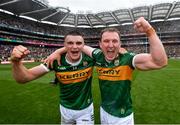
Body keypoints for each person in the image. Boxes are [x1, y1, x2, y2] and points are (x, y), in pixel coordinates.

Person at [44, 17, 168, 125]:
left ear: (120, 44)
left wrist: (149, 30)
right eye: (106, 41)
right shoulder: (98, 56)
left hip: (123, 117)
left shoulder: (128, 59)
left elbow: (160, 62)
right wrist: (58, 51)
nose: (110, 45)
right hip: (104, 112)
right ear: (100, 44)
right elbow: (77, 46)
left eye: (114, 41)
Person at [10, 31, 95, 125]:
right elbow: (24, 78)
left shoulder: (90, 58)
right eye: (70, 43)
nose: (74, 46)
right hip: (65, 109)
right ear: (64, 45)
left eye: (79, 43)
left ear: (84, 45)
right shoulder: (54, 60)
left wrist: (58, 50)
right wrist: (16, 62)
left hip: (86, 110)